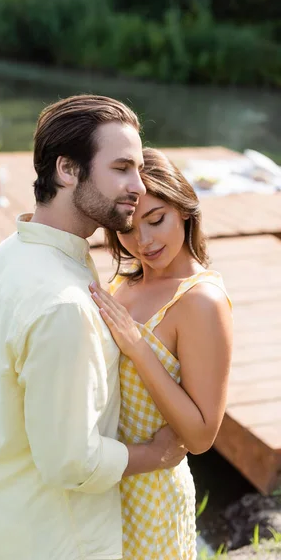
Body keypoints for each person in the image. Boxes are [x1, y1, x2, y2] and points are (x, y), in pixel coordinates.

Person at [0, 98, 188, 560]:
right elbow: (71, 461)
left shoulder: (7, 255)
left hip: (4, 524)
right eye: (123, 168)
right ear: (68, 170)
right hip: (57, 540)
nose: (139, 185)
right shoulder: (63, 305)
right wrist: (159, 455)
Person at [89, 147, 233, 559]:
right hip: (103, 481)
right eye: (128, 228)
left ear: (185, 211)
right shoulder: (126, 284)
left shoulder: (200, 301)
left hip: (151, 495)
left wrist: (138, 349)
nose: (144, 241)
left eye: (156, 220)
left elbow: (203, 435)